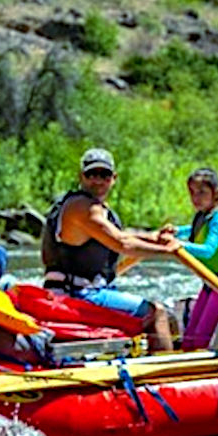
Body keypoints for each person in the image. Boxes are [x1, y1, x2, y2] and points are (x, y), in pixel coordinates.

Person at [40, 148, 181, 351]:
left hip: (87, 291)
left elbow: (124, 238)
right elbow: (122, 243)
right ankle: (166, 375)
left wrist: (154, 239)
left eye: (104, 175)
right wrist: (169, 251)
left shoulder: (100, 210)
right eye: (91, 174)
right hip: (77, 295)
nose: (98, 180)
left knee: (172, 320)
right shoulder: (82, 207)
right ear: (81, 177)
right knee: (156, 312)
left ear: (113, 178)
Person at [159, 168, 218, 350]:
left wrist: (178, 244)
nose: (196, 198)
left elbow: (207, 250)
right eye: (192, 192)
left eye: (202, 192)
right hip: (210, 283)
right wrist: (177, 231)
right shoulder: (205, 217)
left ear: (216, 194)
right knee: (189, 339)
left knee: (199, 341)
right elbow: (195, 231)